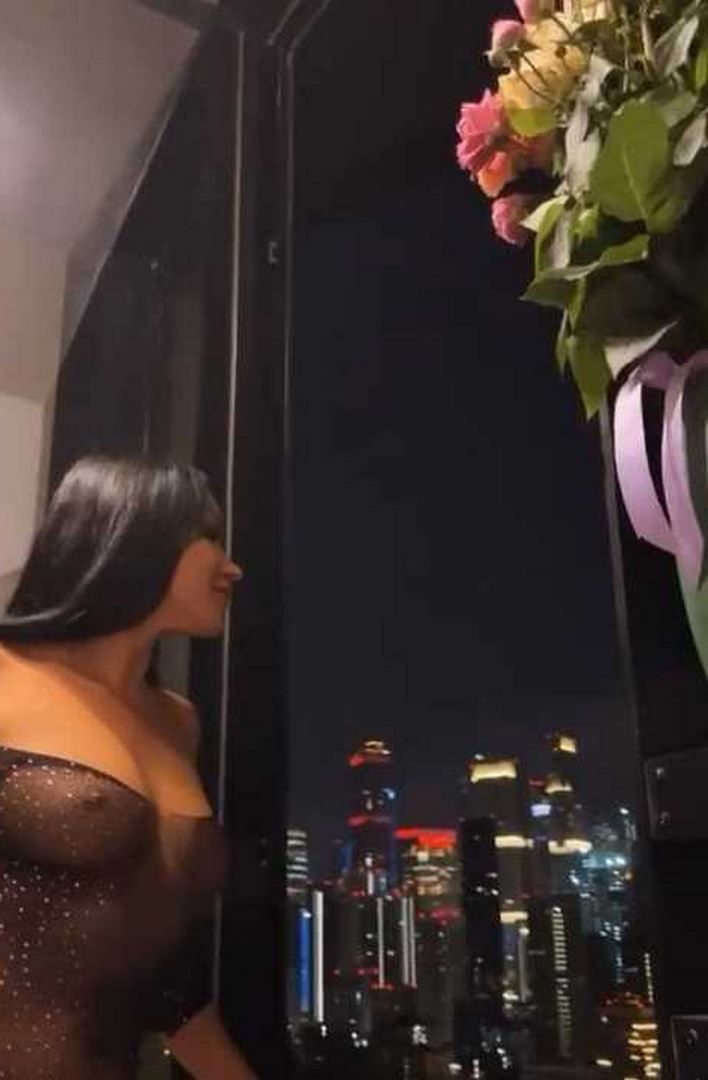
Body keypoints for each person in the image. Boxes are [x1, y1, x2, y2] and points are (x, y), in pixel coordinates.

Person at [0, 455, 257, 1079]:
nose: (234, 568)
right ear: (133, 538)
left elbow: (168, 982)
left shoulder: (179, 723)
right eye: (210, 537)